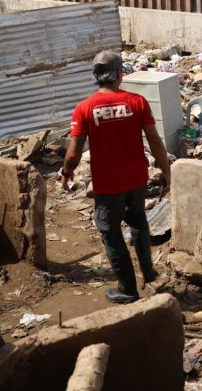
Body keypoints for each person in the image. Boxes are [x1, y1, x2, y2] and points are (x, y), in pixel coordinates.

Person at [59, 50, 172, 304]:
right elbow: (155, 141)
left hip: (108, 186)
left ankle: (128, 289)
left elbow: (74, 152)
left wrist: (66, 172)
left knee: (110, 233)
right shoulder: (137, 102)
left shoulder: (84, 109)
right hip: (137, 179)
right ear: (119, 73)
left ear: (95, 76)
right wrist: (166, 171)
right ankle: (149, 271)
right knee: (138, 220)